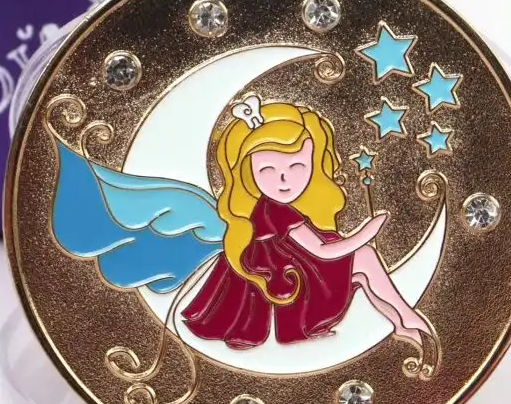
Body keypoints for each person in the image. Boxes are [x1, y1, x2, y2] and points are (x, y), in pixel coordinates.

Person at [182, 98, 431, 349]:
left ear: (314, 165)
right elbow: (322, 251)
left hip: (296, 270)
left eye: (297, 166)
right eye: (267, 169)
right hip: (293, 282)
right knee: (364, 258)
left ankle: (402, 322)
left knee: (365, 269)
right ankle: (406, 318)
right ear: (249, 174)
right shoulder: (275, 210)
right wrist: (367, 232)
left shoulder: (276, 208)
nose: (283, 178)